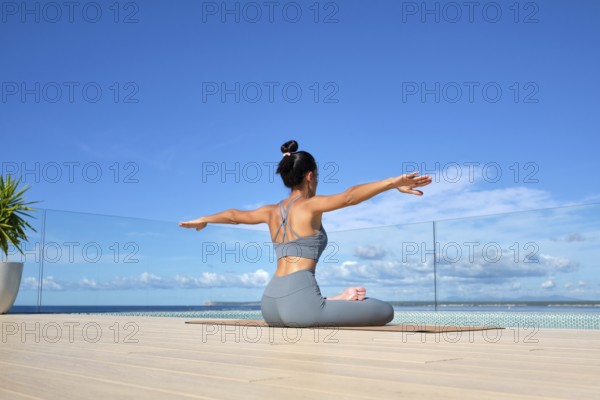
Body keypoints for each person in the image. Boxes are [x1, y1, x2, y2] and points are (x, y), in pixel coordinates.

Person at [179, 140, 432, 327]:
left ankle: (336, 299)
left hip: (269, 304)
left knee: (322, 305)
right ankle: (332, 301)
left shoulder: (270, 211)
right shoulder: (311, 205)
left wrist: (204, 219)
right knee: (385, 311)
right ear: (310, 176)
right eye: (317, 177)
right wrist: (392, 182)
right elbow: (349, 197)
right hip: (299, 305)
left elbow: (234, 216)